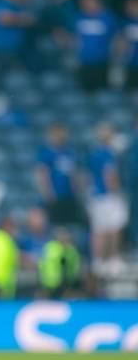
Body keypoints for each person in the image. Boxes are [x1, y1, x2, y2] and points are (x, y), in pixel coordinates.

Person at [86, 123, 129, 271]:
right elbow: (109, 175)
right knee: (114, 228)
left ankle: (98, 261)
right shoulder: (108, 153)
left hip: (96, 195)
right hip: (108, 196)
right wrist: (117, 191)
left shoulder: (94, 153)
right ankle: (113, 259)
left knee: (98, 229)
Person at [35, 123, 83, 226]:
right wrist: (48, 192)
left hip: (69, 195)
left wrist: (77, 190)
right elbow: (42, 174)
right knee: (56, 225)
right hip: (55, 197)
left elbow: (74, 174)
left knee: (70, 224)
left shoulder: (70, 152)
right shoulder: (46, 153)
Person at [74, 0, 117, 92]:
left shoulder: (108, 17)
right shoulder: (79, 17)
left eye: (89, 1)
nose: (87, 3)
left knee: (103, 91)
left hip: (103, 61)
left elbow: (116, 37)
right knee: (84, 90)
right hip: (84, 61)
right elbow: (75, 36)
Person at [39, 227, 82, 299]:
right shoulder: (53, 248)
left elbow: (73, 268)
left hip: (63, 284)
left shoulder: (71, 251)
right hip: (50, 284)